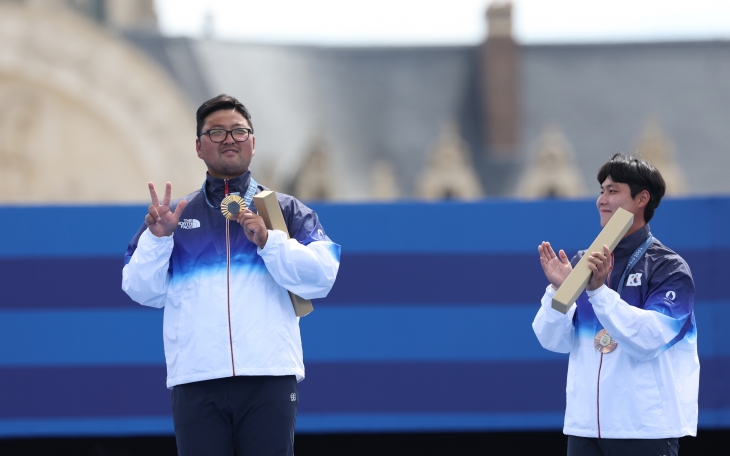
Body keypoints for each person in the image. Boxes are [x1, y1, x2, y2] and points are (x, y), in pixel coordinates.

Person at [122, 94, 340, 456]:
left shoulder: (286, 210)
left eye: (238, 131)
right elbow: (141, 289)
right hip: (196, 380)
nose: (228, 139)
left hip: (269, 377)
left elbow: (323, 275)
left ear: (252, 143)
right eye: (216, 132)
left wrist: (271, 241)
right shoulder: (173, 217)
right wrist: (159, 241)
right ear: (198, 146)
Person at [532, 153, 698, 456]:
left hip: (645, 429)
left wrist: (599, 294)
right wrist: (559, 291)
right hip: (583, 428)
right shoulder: (584, 263)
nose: (602, 200)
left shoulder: (669, 268)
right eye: (601, 191)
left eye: (613, 190)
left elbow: (650, 340)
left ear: (642, 198)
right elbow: (551, 339)